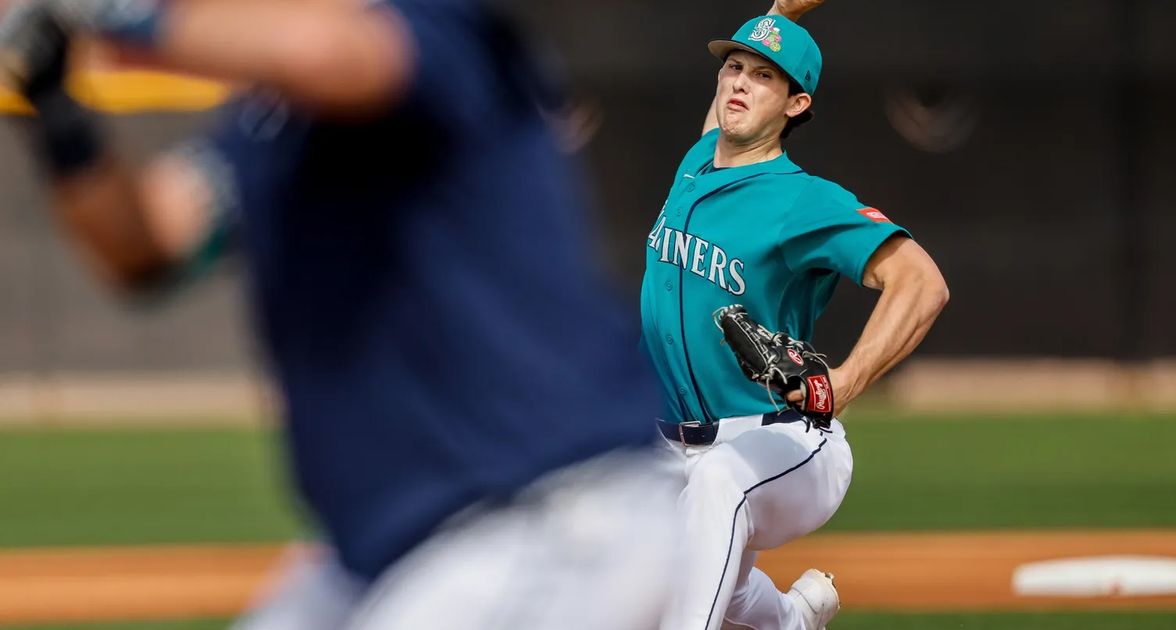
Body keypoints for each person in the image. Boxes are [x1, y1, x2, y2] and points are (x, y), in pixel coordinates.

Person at [0, 0, 678, 627]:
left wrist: (107, 6)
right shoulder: (271, 126)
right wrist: (55, 105)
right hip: (394, 555)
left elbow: (340, 55)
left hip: (545, 517)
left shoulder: (432, 22)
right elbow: (145, 245)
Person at [640, 1, 950, 629]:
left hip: (781, 441)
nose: (739, 82)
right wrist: (778, 11)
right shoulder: (699, 164)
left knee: (718, 486)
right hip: (670, 444)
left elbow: (922, 281)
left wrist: (843, 382)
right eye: (734, 66)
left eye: (763, 75)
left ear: (795, 103)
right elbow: (725, 117)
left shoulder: (802, 200)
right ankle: (790, 619)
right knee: (658, 570)